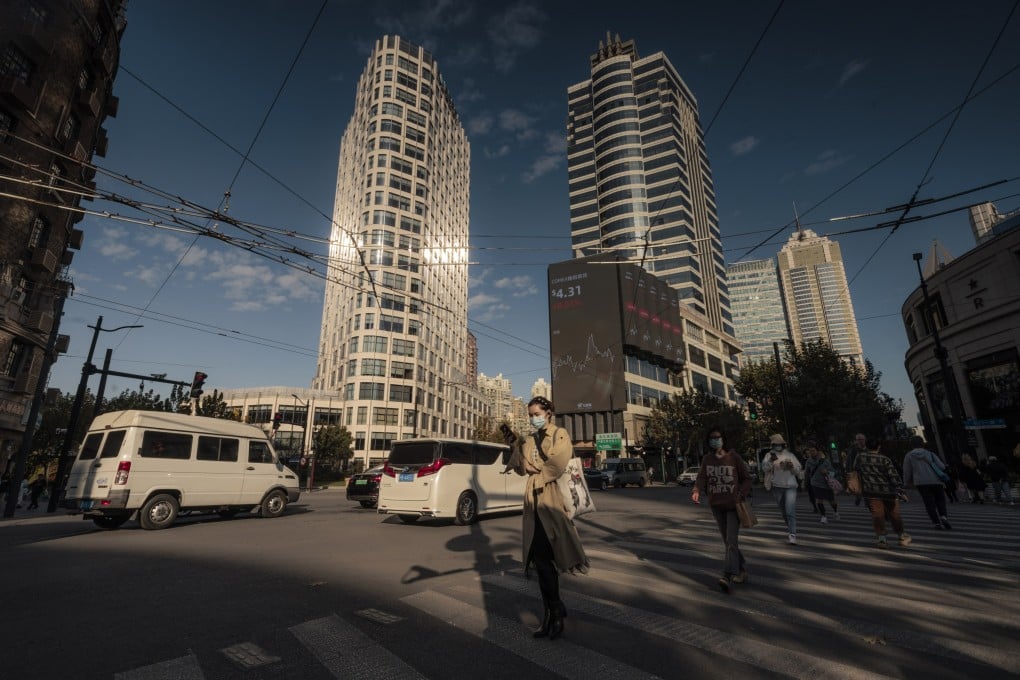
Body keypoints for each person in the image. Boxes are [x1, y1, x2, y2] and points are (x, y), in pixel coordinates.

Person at [508, 396, 588, 641]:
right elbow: (518, 465)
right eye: (530, 414)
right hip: (533, 502)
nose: (533, 418)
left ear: (549, 412)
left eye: (536, 413)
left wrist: (536, 470)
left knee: (547, 560)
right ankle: (552, 611)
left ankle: (554, 611)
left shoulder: (558, 434)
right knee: (541, 561)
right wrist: (516, 451)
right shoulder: (529, 438)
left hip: (553, 502)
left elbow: (559, 462)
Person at [691, 427, 752, 593]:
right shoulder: (707, 459)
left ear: (723, 439)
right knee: (727, 541)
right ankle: (741, 570)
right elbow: (702, 477)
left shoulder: (734, 457)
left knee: (731, 541)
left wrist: (741, 493)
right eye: (712, 438)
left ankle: (726, 575)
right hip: (717, 505)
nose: (715, 440)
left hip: (734, 505)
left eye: (717, 437)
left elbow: (746, 479)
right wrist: (696, 490)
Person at [854, 438, 911, 549]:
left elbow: (856, 471)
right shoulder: (884, 459)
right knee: (894, 514)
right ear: (878, 447)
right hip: (888, 492)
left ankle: (881, 539)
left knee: (877, 515)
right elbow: (893, 476)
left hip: (871, 492)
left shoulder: (860, 458)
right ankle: (901, 536)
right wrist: (901, 491)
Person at [902, 436, 951, 529]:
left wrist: (906, 483)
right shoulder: (930, 454)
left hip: (921, 482)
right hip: (935, 480)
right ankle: (943, 517)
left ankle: (936, 522)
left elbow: (907, 471)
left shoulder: (909, 455)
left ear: (912, 444)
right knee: (940, 500)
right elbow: (941, 466)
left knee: (929, 503)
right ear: (922, 443)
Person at [761, 433, 803, 545]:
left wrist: (792, 467)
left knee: (790, 511)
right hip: (777, 487)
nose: (778, 446)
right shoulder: (768, 455)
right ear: (773, 445)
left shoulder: (790, 455)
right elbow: (764, 469)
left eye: (780, 444)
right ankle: (790, 527)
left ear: (783, 445)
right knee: (784, 512)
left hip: (791, 486)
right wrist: (770, 461)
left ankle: (792, 534)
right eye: (776, 444)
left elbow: (798, 471)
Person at [805, 441, 839, 523]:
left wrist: (827, 472)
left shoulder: (825, 461)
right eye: (810, 451)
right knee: (818, 500)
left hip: (826, 484)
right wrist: (807, 482)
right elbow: (807, 472)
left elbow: (833, 472)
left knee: (832, 501)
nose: (811, 453)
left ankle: (836, 512)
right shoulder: (808, 462)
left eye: (813, 451)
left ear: (817, 451)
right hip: (815, 484)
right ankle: (823, 516)